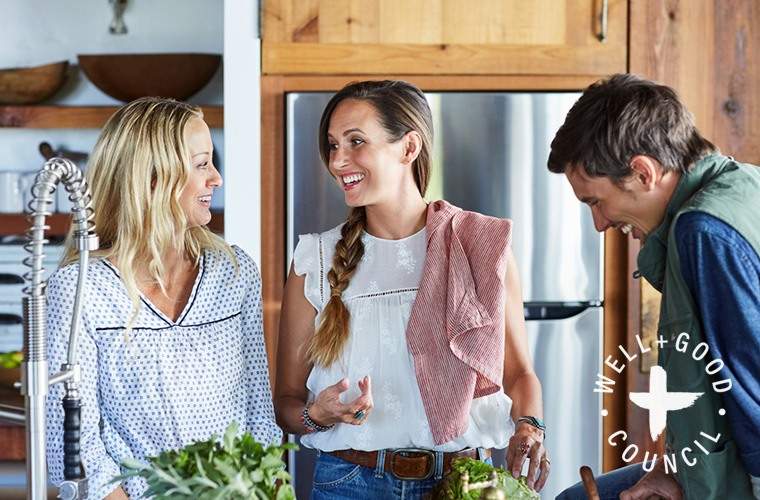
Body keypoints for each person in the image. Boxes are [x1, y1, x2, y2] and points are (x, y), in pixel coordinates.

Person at [274, 80, 550, 499]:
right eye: (332, 145)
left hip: (465, 480)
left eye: (355, 141)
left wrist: (529, 429)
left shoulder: (480, 244)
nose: (337, 161)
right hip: (349, 483)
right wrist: (317, 414)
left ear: (408, 148)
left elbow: (520, 374)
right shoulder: (315, 258)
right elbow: (287, 405)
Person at [45, 97, 282, 499]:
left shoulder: (233, 271)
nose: (216, 179)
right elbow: (70, 448)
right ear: (153, 176)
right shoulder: (80, 288)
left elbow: (258, 409)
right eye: (202, 163)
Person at [550, 74, 760, 500]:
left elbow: (751, 389)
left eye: (595, 201)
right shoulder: (741, 185)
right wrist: (671, 468)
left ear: (643, 172)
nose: (600, 224)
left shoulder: (703, 232)